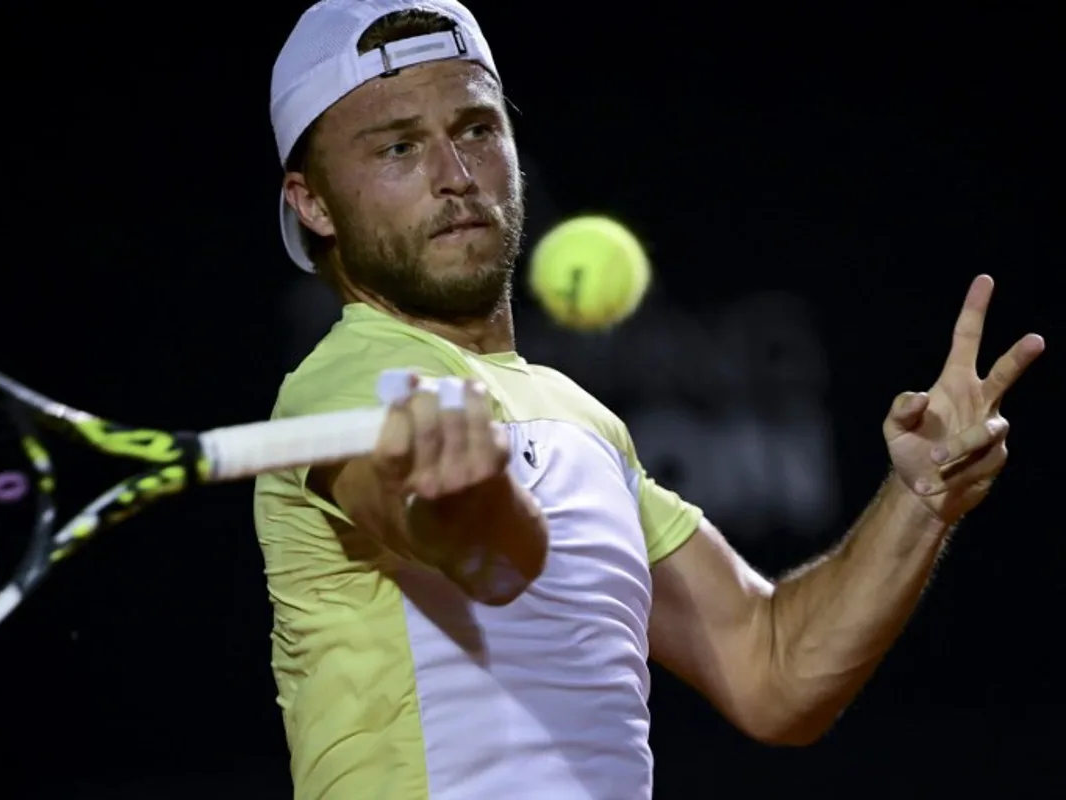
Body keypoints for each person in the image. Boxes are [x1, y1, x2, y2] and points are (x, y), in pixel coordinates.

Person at [255, 1, 1045, 797]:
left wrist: (922, 496)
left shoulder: (582, 420)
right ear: (313, 203)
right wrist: (467, 504)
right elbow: (469, 545)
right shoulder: (342, 384)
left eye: (476, 130)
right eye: (398, 147)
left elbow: (773, 671)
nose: (456, 176)